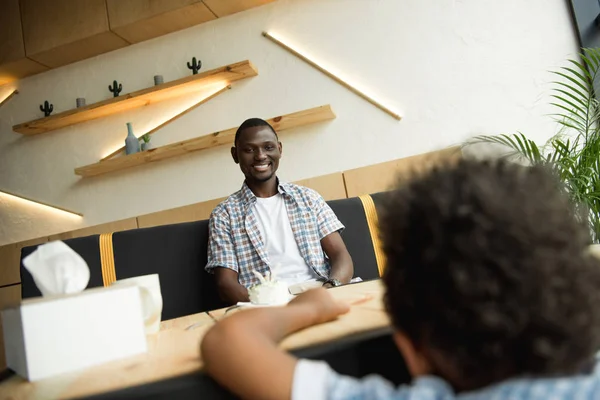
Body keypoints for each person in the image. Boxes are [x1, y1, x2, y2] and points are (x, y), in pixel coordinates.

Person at [201, 159, 600, 399]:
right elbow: (224, 279)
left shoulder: (307, 198)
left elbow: (227, 343)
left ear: (409, 348)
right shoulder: (225, 213)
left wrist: (311, 304)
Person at [205, 118, 354, 304]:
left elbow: (341, 256)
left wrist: (328, 290)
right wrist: (269, 307)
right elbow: (225, 284)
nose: (260, 156)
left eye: (268, 147)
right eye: (249, 150)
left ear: (280, 149)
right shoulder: (224, 215)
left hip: (320, 291)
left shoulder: (308, 198)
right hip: (266, 303)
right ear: (235, 155)